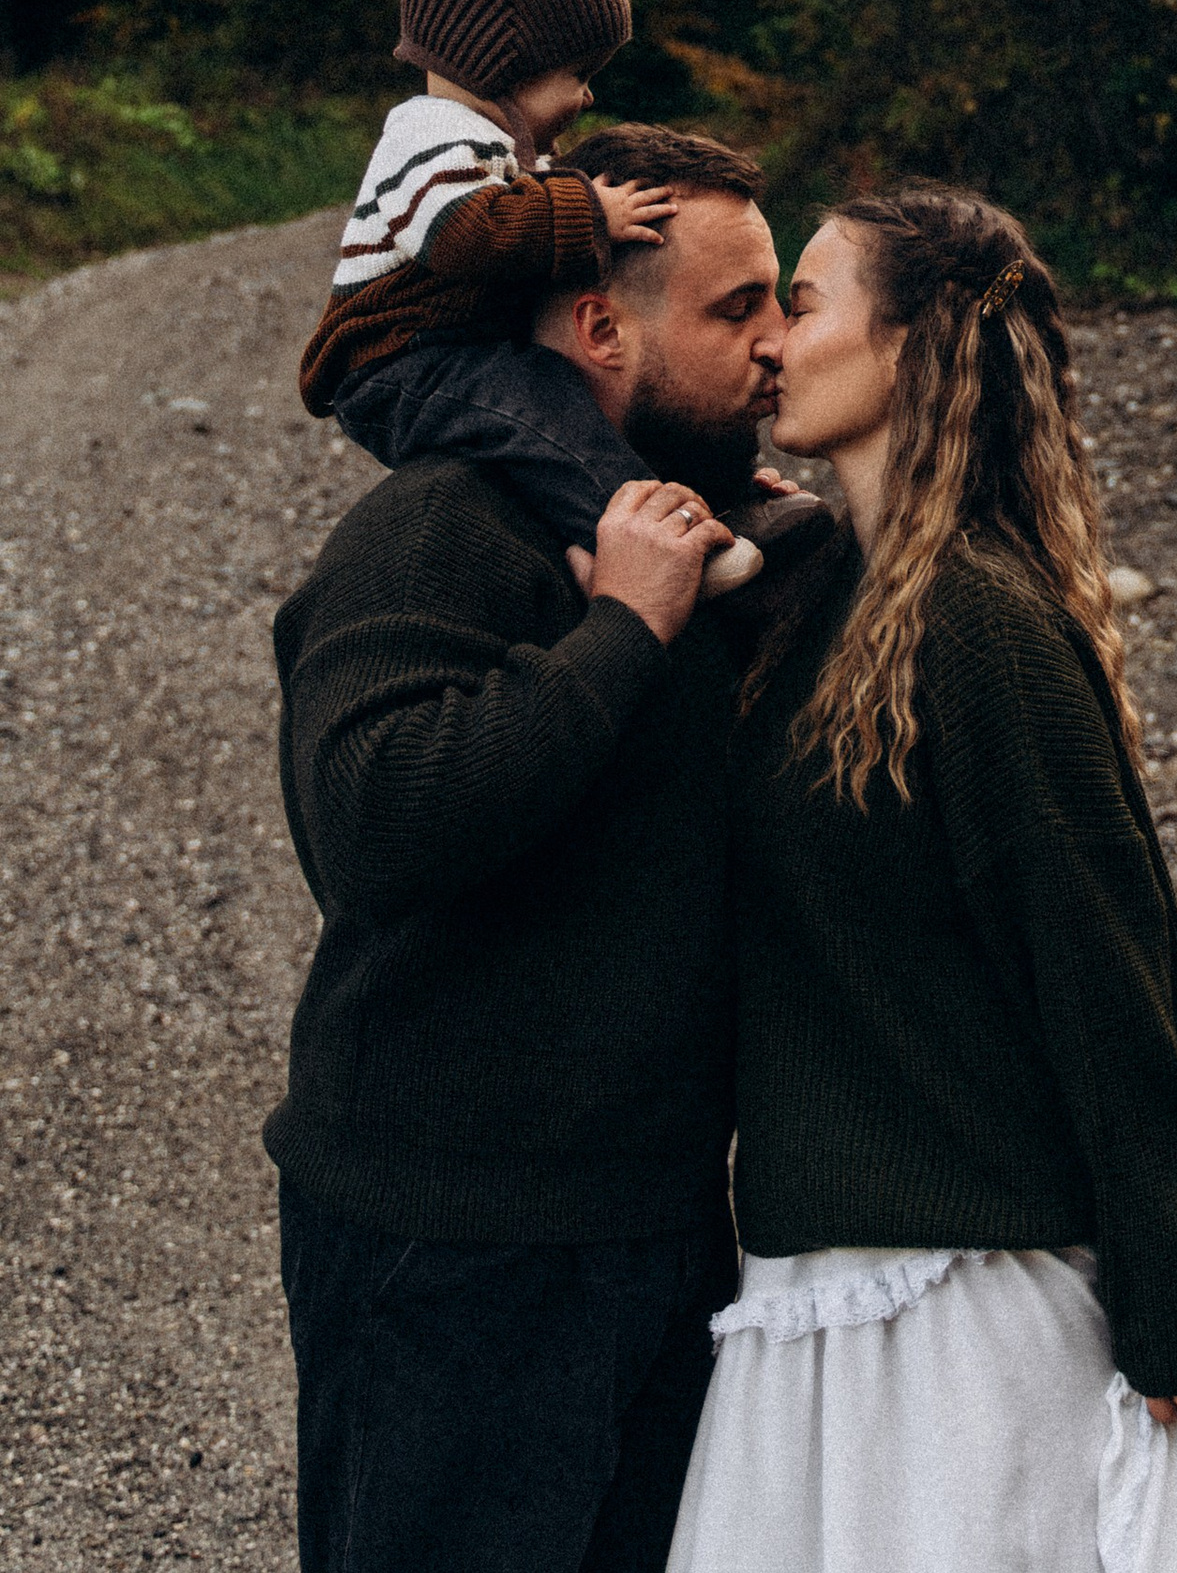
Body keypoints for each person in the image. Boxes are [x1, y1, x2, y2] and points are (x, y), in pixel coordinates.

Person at [667, 181, 1177, 1573]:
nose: (767, 340)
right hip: (818, 1292)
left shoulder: (982, 626)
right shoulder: (827, 601)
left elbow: (1107, 966)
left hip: (967, 1315)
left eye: (801, 303)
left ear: (909, 347)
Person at [267, 115, 797, 1573]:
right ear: (594, 326)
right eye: (735, 306)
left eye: (786, 301)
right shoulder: (444, 524)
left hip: (659, 1231)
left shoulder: (730, 532)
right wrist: (622, 627)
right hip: (451, 1242)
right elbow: (371, 817)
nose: (776, 345)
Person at [298, 0, 777, 590]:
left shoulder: (496, 150)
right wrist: (589, 213)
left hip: (447, 348)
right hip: (393, 362)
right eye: (578, 72)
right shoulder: (427, 137)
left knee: (576, 402)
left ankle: (710, 503)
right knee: (537, 420)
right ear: (503, 63)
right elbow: (462, 237)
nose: (588, 96)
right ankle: (650, 546)